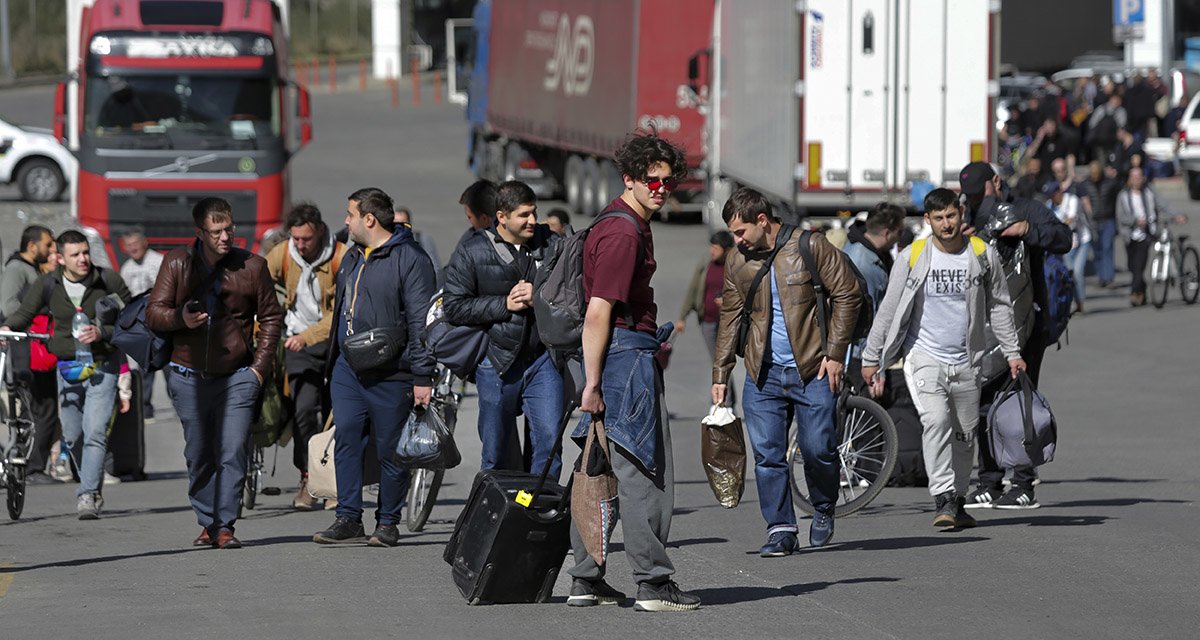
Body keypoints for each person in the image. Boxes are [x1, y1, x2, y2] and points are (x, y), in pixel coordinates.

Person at [566, 132, 700, 612]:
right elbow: (599, 311)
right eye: (652, 180)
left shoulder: (619, 221)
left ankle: (586, 579)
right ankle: (653, 583)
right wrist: (594, 384)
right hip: (623, 360)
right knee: (645, 473)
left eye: (668, 181)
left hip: (616, 359)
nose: (662, 188)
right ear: (630, 178)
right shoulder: (623, 232)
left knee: (596, 470)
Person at [861, 188, 1025, 528]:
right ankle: (943, 497)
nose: (946, 224)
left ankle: (959, 498)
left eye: (951, 216)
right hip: (924, 356)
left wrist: (1012, 352)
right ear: (928, 220)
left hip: (967, 360)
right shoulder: (914, 255)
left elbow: (999, 305)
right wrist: (871, 356)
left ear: (960, 215)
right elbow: (889, 309)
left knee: (965, 434)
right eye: (938, 218)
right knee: (936, 421)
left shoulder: (981, 254)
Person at [711, 187, 861, 558]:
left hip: (812, 368)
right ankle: (781, 528)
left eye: (741, 231)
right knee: (767, 456)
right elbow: (730, 316)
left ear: (763, 221)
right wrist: (720, 373)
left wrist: (836, 353)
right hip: (763, 373)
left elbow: (848, 293)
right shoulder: (737, 260)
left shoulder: (810, 246)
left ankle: (823, 505)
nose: (736, 240)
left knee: (817, 449)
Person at [146, 198, 283, 548]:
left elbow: (271, 318)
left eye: (229, 230)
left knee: (232, 448)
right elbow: (154, 313)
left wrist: (258, 369)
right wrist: (181, 319)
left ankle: (224, 526)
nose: (225, 237)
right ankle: (207, 520)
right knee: (200, 451)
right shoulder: (177, 262)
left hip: (238, 375)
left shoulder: (252, 266)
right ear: (200, 233)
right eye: (216, 231)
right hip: (187, 375)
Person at [313, 187, 436, 548]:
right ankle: (348, 516)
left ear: (369, 218)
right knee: (347, 436)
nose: (346, 221)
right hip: (348, 369)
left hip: (392, 371)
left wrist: (422, 375)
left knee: (390, 448)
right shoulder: (352, 256)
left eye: (350, 214)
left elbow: (420, 321)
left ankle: (387, 522)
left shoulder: (411, 259)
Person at [958, 161, 1071, 510]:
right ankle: (990, 481)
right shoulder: (968, 215)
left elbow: (1064, 238)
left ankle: (1023, 483)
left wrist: (1028, 230)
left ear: (995, 181)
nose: (977, 200)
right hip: (983, 326)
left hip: (1026, 324)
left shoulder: (1026, 209)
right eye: (971, 195)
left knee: (1018, 401)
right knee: (982, 404)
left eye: (981, 192)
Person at [2, 230, 132, 519]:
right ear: (60, 258)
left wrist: (103, 332)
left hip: (103, 365)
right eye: (75, 254)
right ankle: (90, 480)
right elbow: (23, 314)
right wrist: (8, 329)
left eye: (85, 252)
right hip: (68, 368)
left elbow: (134, 315)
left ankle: (88, 494)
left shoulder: (107, 279)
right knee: (72, 437)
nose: (83, 259)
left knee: (96, 431)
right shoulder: (48, 283)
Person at [443, 180, 564, 478]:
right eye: (524, 215)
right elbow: (454, 307)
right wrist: (504, 304)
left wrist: (538, 295)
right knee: (494, 453)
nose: (533, 221)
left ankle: (536, 511)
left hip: (542, 361)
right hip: (496, 363)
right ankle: (494, 517)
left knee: (549, 445)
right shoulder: (471, 251)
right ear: (501, 217)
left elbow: (574, 291)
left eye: (534, 213)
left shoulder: (552, 245)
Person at [266, 203, 346, 509]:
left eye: (306, 239)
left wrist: (308, 336)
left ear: (321, 232)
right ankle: (307, 478)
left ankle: (331, 482)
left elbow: (340, 312)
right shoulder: (284, 254)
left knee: (334, 412)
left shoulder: (340, 257)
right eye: (296, 238)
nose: (300, 245)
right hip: (296, 344)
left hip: (332, 342)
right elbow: (259, 283)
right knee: (303, 411)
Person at [0, 225, 60, 485]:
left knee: (42, 408)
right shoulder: (16, 270)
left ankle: (32, 466)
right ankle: (33, 468)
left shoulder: (32, 270)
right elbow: (8, 306)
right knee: (37, 408)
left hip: (36, 349)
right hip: (24, 351)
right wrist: (40, 309)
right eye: (47, 245)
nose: (50, 251)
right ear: (32, 246)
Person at [842, 203, 905, 387]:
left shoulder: (868, 252)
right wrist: (875, 366)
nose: (900, 238)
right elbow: (870, 318)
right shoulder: (865, 265)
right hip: (858, 356)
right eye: (899, 233)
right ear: (887, 233)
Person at [118, 228, 166, 417]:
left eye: (135, 244)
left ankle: (180, 403)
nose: (132, 248)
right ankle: (145, 408)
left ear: (144, 242)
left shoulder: (158, 262)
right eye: (128, 246)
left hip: (161, 322)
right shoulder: (127, 269)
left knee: (169, 365)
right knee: (145, 365)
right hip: (141, 325)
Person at [1117, 167, 1173, 307]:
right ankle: (1142, 292)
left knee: (1139, 266)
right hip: (1130, 236)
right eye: (1133, 177)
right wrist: (1135, 221)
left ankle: (1135, 293)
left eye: (1139, 176)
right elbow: (1121, 216)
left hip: (1147, 234)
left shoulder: (1149, 192)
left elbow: (1163, 204)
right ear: (1129, 179)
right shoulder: (1124, 195)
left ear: (1143, 178)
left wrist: (1176, 214)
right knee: (1132, 266)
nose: (1136, 179)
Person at [675, 230, 735, 360]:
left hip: (728, 323)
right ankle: (724, 380)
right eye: (711, 246)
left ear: (728, 250)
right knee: (716, 360)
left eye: (716, 248)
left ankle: (724, 380)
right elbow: (693, 289)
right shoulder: (706, 263)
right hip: (707, 321)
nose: (711, 251)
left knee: (725, 360)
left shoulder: (736, 267)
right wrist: (682, 317)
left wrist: (729, 302)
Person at [1045, 181, 1092, 313]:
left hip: (1082, 240)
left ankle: (1080, 302)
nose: (1051, 198)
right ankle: (1071, 301)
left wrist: (1056, 227)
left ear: (1058, 192)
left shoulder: (1072, 200)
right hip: (1066, 245)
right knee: (1068, 272)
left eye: (1052, 195)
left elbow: (1070, 221)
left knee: (1077, 271)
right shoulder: (1049, 206)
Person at [1084, 160, 1122, 288]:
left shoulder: (1110, 183)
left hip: (1108, 219)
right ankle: (1101, 276)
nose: (1094, 177)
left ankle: (1109, 278)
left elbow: (1119, 193)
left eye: (1097, 174)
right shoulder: (1086, 184)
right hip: (1093, 221)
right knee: (1097, 250)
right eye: (1092, 174)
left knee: (1107, 248)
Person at [394, 206, 442, 282]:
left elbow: (435, 266)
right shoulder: (386, 243)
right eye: (396, 223)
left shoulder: (422, 239)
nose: (399, 226)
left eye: (403, 223)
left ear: (409, 223)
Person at [456, 179, 498, 252]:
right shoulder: (518, 238)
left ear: (484, 219)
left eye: (470, 217)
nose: (469, 221)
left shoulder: (469, 246)